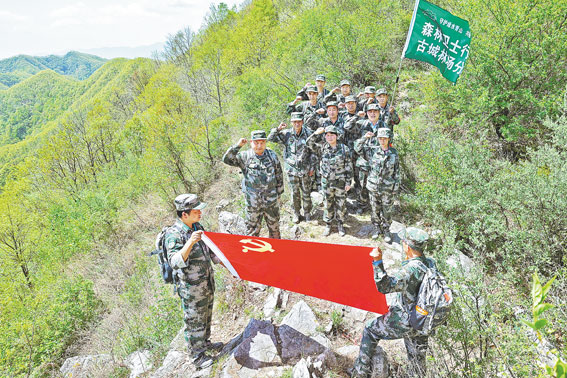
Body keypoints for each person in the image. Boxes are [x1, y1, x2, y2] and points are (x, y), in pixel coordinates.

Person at [350, 227, 433, 378]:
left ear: (407, 246)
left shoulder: (411, 269)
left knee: (370, 329)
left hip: (407, 321)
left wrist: (377, 261)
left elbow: (384, 286)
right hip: (423, 321)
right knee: (417, 361)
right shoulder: (430, 264)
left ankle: (360, 373)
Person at [165, 194, 223, 369]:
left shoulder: (197, 226)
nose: (200, 213)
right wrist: (190, 242)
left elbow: (211, 252)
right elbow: (174, 261)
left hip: (206, 283)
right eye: (196, 210)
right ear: (185, 214)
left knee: (206, 316)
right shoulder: (174, 234)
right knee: (194, 321)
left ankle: (205, 344)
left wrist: (230, 265)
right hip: (191, 289)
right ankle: (197, 357)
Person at [222, 130, 284, 238]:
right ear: (251, 142)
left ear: (265, 142)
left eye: (262, 142)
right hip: (253, 204)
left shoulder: (272, 155)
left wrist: (279, 194)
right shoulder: (245, 156)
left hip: (271, 202)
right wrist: (237, 146)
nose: (259, 146)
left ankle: (275, 254)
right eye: (256, 142)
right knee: (252, 233)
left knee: (275, 230)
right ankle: (254, 254)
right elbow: (226, 159)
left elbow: (279, 175)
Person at [268, 112, 315, 223]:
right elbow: (270, 138)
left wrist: (312, 167)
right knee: (294, 193)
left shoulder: (309, 133)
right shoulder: (286, 134)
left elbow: (314, 151)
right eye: (294, 122)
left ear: (302, 122)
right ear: (291, 123)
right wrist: (277, 129)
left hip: (305, 169)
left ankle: (307, 213)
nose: (297, 124)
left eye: (299, 121)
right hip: (291, 169)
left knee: (306, 192)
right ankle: (296, 213)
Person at [354, 128, 400, 241]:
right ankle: (376, 228)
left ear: (389, 139)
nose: (382, 141)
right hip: (374, 186)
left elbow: (397, 172)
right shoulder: (372, 151)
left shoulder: (394, 153)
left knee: (387, 210)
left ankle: (386, 230)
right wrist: (365, 138)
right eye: (380, 138)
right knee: (374, 209)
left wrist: (395, 188)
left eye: (385, 138)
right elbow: (357, 148)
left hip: (388, 188)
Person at [307, 125, 353, 236]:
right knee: (328, 204)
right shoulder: (322, 148)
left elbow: (349, 166)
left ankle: (340, 224)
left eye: (332, 135)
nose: (330, 137)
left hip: (340, 182)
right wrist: (316, 133)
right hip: (327, 182)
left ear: (336, 136)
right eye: (327, 135)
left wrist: (348, 182)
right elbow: (308, 143)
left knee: (341, 204)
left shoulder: (344, 149)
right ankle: (328, 224)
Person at [345, 103, 385, 213]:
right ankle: (362, 205)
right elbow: (348, 129)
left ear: (379, 113)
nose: (373, 114)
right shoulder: (361, 124)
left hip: (378, 162)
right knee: (361, 185)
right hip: (363, 160)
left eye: (375, 111)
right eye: (370, 111)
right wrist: (364, 137)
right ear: (367, 113)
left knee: (378, 185)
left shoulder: (383, 125)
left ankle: (377, 207)